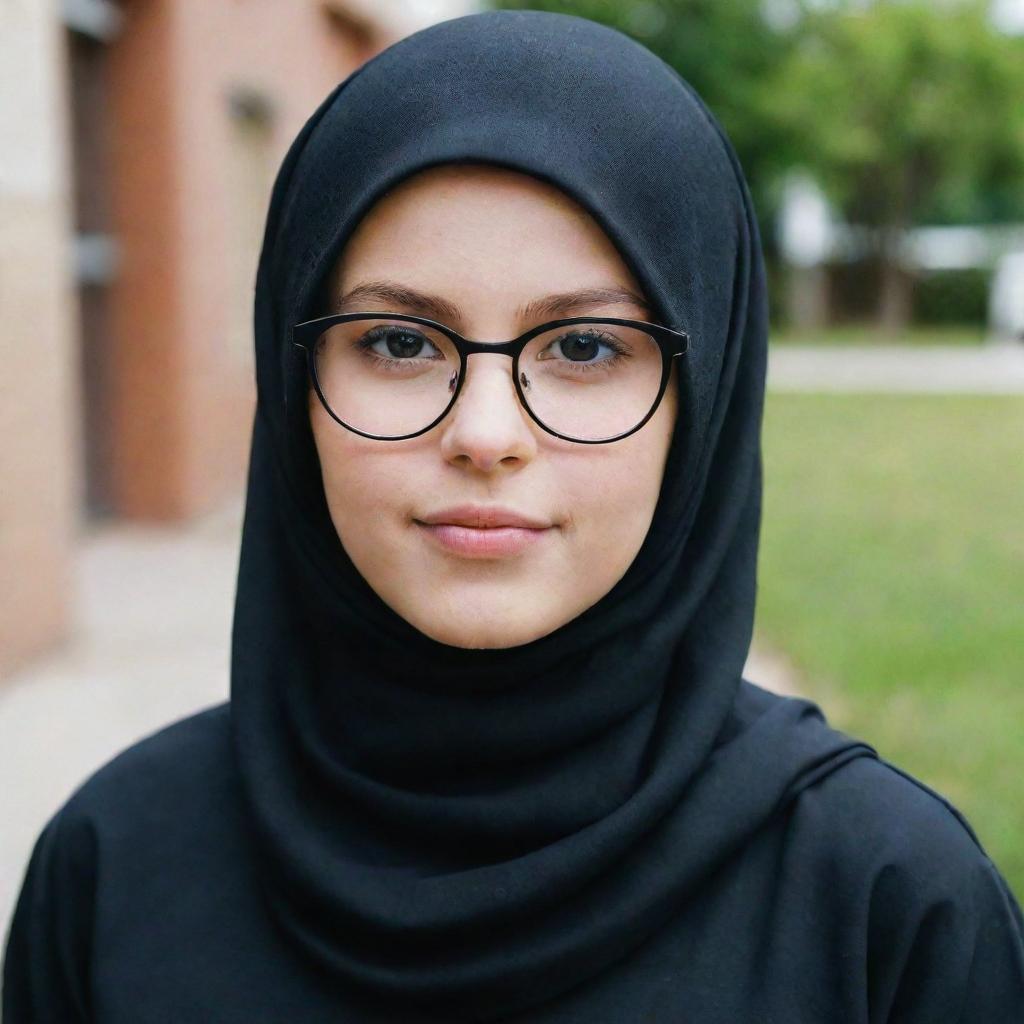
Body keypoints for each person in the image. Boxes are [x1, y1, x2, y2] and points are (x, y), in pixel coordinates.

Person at [3, 9, 1023, 1023]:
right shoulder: (112, 865)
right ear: (295, 374)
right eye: (400, 342)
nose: (485, 435)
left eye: (583, 348)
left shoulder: (888, 904)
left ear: (701, 404)